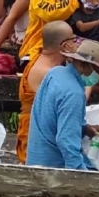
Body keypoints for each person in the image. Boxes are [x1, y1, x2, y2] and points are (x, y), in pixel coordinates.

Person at [26, 39, 99, 170]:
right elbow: (67, 141)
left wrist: (84, 127)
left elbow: (53, 115)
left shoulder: (56, 72)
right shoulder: (74, 93)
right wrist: (80, 176)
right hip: (53, 167)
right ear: (84, 64)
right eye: (98, 71)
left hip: (35, 159)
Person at [16, 20, 75, 164]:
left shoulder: (41, 57)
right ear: (65, 45)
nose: (75, 45)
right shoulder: (47, 72)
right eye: (73, 41)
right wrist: (90, 84)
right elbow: (73, 102)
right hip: (34, 135)